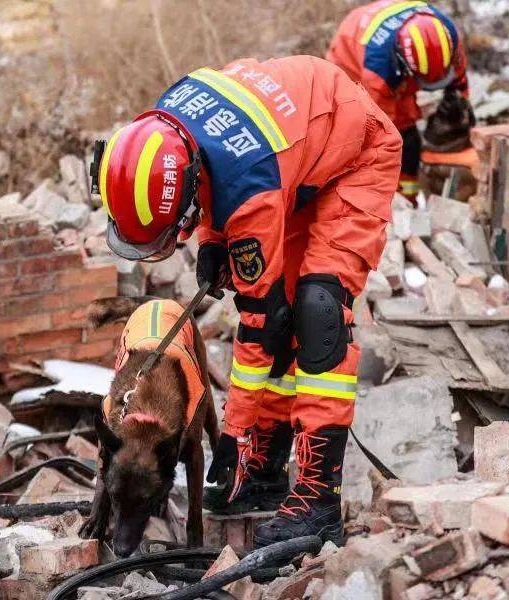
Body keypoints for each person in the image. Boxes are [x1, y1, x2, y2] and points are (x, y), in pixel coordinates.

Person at [90, 55, 401, 546]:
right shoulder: (164, 132)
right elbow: (214, 171)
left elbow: (260, 325)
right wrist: (215, 241)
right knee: (281, 306)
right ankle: (267, 469)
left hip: (355, 157)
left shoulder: (249, 186)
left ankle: (319, 498)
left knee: (315, 312)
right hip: (292, 167)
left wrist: (231, 433)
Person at [326, 0, 470, 203]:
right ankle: (394, 201)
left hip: (396, 54)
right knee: (395, 139)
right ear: (403, 64)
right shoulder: (378, 71)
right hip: (349, 55)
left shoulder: (449, 35)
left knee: (409, 135)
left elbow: (459, 80)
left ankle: (407, 194)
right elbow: (381, 131)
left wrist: (460, 105)